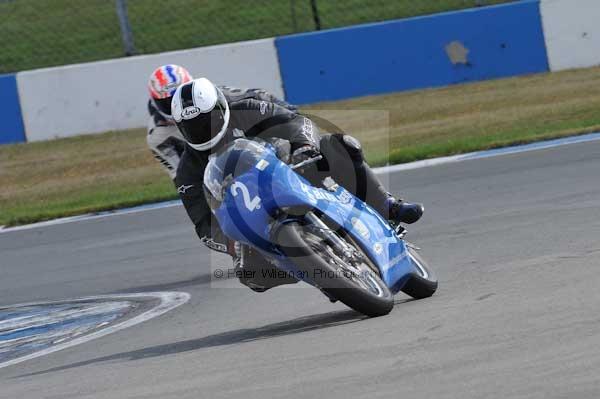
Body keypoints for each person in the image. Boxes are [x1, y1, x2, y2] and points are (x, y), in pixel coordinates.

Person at [171, 77, 424, 290]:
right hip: (252, 212)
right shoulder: (187, 172)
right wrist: (231, 244)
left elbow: (296, 122)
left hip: (289, 168)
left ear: (220, 107)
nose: (202, 129)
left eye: (207, 120)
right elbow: (204, 226)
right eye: (191, 126)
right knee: (251, 274)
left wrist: (304, 147)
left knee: (338, 145)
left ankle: (386, 205)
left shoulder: (247, 109)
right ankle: (321, 271)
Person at [146, 64, 297, 181]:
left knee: (288, 149)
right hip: (216, 168)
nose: (180, 106)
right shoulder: (158, 137)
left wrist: (290, 113)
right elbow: (183, 176)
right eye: (168, 102)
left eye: (184, 97)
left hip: (254, 144)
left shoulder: (216, 97)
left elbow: (258, 96)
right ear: (155, 102)